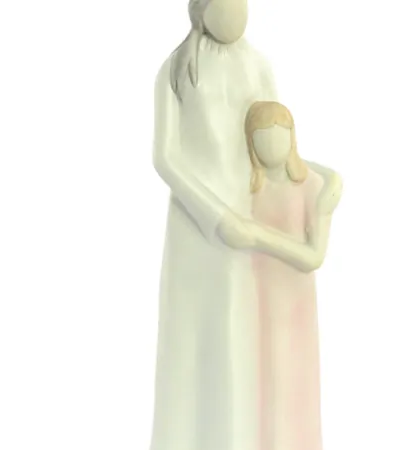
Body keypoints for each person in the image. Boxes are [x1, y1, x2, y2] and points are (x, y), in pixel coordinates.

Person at [151, 1, 341, 449]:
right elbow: (165, 156)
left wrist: (322, 179)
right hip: (198, 225)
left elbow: (279, 144)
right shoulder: (177, 71)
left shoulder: (257, 65)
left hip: (253, 212)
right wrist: (217, 217)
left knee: (248, 340)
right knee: (199, 341)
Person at [243, 100, 338, 450]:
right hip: (256, 300)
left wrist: (257, 236)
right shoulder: (249, 185)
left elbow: (314, 256)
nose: (272, 146)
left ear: (293, 138)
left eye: (280, 136)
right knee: (259, 383)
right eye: (262, 139)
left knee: (294, 383)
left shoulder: (310, 186)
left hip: (294, 304)